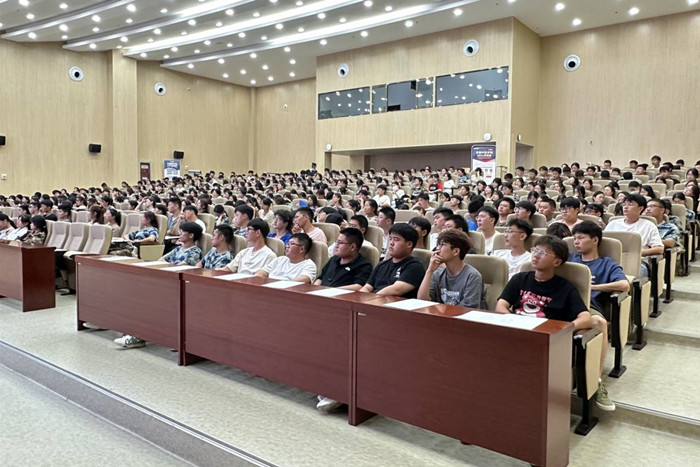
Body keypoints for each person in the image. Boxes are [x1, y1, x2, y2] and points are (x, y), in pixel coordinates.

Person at [495, 235, 615, 411]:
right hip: (517, 334)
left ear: (557, 262)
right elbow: (501, 306)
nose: (535, 255)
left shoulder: (564, 288)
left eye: (542, 253)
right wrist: (514, 322)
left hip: (545, 341)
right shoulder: (520, 279)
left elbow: (585, 317)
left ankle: (594, 383)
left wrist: (563, 331)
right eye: (535, 250)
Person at [417, 230, 486, 308]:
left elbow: (468, 309)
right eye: (438, 245)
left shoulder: (472, 276)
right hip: (440, 314)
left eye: (442, 245)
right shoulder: (437, 273)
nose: (437, 249)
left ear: (456, 251)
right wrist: (429, 271)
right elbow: (422, 301)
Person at [605, 193, 664, 277]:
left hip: (638, 261)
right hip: (612, 260)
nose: (625, 207)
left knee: (632, 274)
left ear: (640, 208)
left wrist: (638, 253)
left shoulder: (649, 225)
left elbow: (659, 249)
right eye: (624, 204)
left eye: (630, 204)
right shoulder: (613, 224)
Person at [360, 223, 425, 298]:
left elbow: (396, 290)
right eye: (390, 238)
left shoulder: (415, 266)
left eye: (396, 239)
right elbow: (367, 287)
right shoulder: (382, 265)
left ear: (409, 244)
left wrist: (372, 299)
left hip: (392, 303)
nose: (391, 243)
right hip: (374, 301)